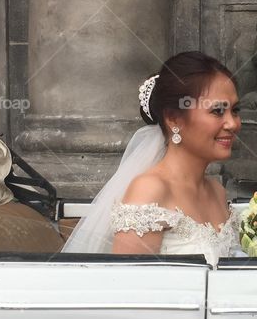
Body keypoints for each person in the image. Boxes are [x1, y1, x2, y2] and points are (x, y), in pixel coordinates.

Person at [62, 51, 242, 264]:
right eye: (217, 111)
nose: (233, 124)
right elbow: (131, 288)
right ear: (174, 119)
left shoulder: (217, 192)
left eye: (235, 110)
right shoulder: (149, 190)